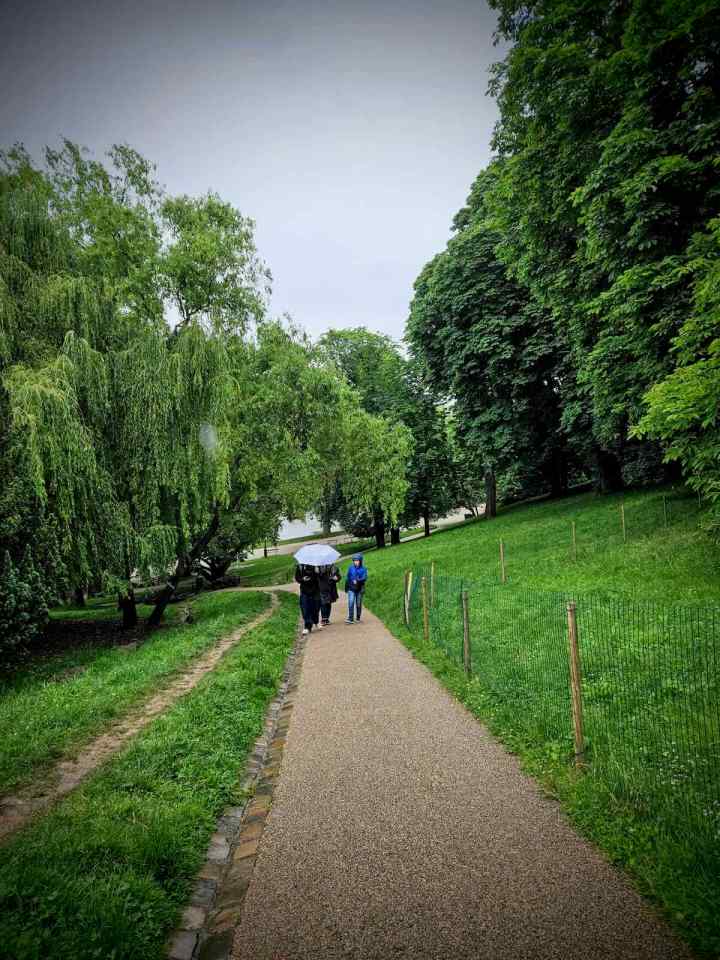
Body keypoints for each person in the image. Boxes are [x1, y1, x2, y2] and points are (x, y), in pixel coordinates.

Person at [294, 563, 321, 635]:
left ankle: (316, 621)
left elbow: (321, 577)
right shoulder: (300, 567)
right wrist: (302, 579)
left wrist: (318, 572)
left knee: (315, 607)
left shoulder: (316, 565)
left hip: (315, 590)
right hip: (304, 591)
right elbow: (297, 578)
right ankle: (307, 626)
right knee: (305, 608)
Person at [345, 553, 368, 624]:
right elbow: (348, 577)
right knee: (351, 602)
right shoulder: (350, 568)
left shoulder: (364, 569)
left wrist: (357, 580)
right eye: (354, 561)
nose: (356, 562)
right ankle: (350, 618)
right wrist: (346, 587)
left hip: (359, 588)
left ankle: (358, 618)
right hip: (351, 588)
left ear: (360, 561)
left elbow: (364, 578)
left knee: (358, 604)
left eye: (357, 560)